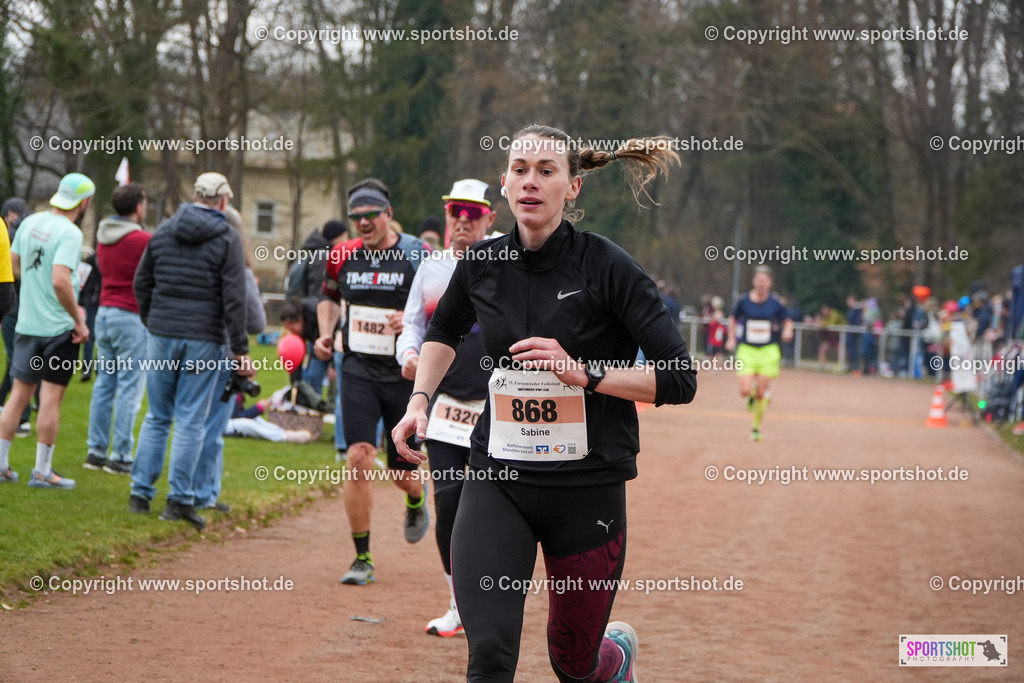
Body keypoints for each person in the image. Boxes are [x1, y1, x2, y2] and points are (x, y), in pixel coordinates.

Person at [393, 125, 697, 682]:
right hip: (497, 479)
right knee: (488, 654)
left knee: (574, 664)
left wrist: (583, 373)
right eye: (520, 169)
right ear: (504, 184)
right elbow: (443, 329)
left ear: (573, 187)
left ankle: (615, 658)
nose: (530, 181)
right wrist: (420, 402)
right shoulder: (482, 264)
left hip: (587, 490)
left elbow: (680, 377)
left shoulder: (608, 268)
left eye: (546, 170)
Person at [314, 178, 432, 585]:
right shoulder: (341, 254)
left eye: (370, 215)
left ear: (389, 214)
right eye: (356, 217)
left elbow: (442, 307)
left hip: (404, 373)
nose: (363, 223)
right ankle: (362, 557)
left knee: (402, 471)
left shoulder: (418, 253)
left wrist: (414, 320)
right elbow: (328, 297)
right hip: (358, 369)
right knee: (359, 457)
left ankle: (416, 498)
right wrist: (325, 333)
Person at [395, 178, 496, 637]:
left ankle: (495, 596)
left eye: (472, 212)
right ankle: (458, 604)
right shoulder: (433, 268)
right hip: (446, 407)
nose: (461, 219)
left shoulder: (508, 260)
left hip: (499, 408)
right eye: (455, 209)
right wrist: (409, 356)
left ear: (489, 218)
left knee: (497, 507)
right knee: (450, 502)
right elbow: (413, 323)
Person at [129, 172, 254, 529]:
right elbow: (234, 297)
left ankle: (140, 494)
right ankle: (180, 499)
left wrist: (154, 321)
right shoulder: (227, 236)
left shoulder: (163, 231)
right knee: (190, 420)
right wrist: (241, 348)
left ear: (196, 195)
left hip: (163, 333)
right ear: (224, 202)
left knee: (157, 416)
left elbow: (142, 282)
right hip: (204, 338)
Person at [0, 173, 94, 488]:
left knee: (17, 395)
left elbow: (13, 265)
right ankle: (42, 470)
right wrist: (78, 321)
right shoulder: (69, 233)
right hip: (58, 329)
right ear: (84, 202)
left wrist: (33, 284)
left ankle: (1, 464)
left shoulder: (30, 222)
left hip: (26, 322)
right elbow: (59, 280)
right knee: (50, 398)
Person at [191, 205, 266, 513]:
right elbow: (257, 322)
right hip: (222, 352)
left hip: (187, 348)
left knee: (187, 422)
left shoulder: (196, 261)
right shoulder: (239, 269)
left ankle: (183, 489)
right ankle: (203, 492)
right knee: (212, 428)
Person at [84, 183, 151, 474]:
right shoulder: (142, 240)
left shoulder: (102, 236)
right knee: (129, 388)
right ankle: (121, 454)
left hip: (104, 313)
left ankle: (96, 451)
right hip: (130, 315)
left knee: (104, 385)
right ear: (138, 207)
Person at [725, 266, 792, 441]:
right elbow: (732, 319)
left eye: (765, 280)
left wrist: (787, 331)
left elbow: (787, 321)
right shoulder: (743, 301)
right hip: (747, 350)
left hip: (768, 351)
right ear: (754, 281)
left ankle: (756, 427)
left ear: (770, 283)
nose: (761, 283)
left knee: (762, 393)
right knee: (745, 391)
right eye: (758, 280)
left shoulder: (776, 303)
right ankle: (752, 397)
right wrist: (731, 338)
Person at [0, 198, 32, 437]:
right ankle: (21, 415)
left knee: (18, 358)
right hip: (16, 305)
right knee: (19, 360)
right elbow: (9, 272)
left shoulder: (11, 233)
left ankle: (18, 412)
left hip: (17, 305)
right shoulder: (11, 234)